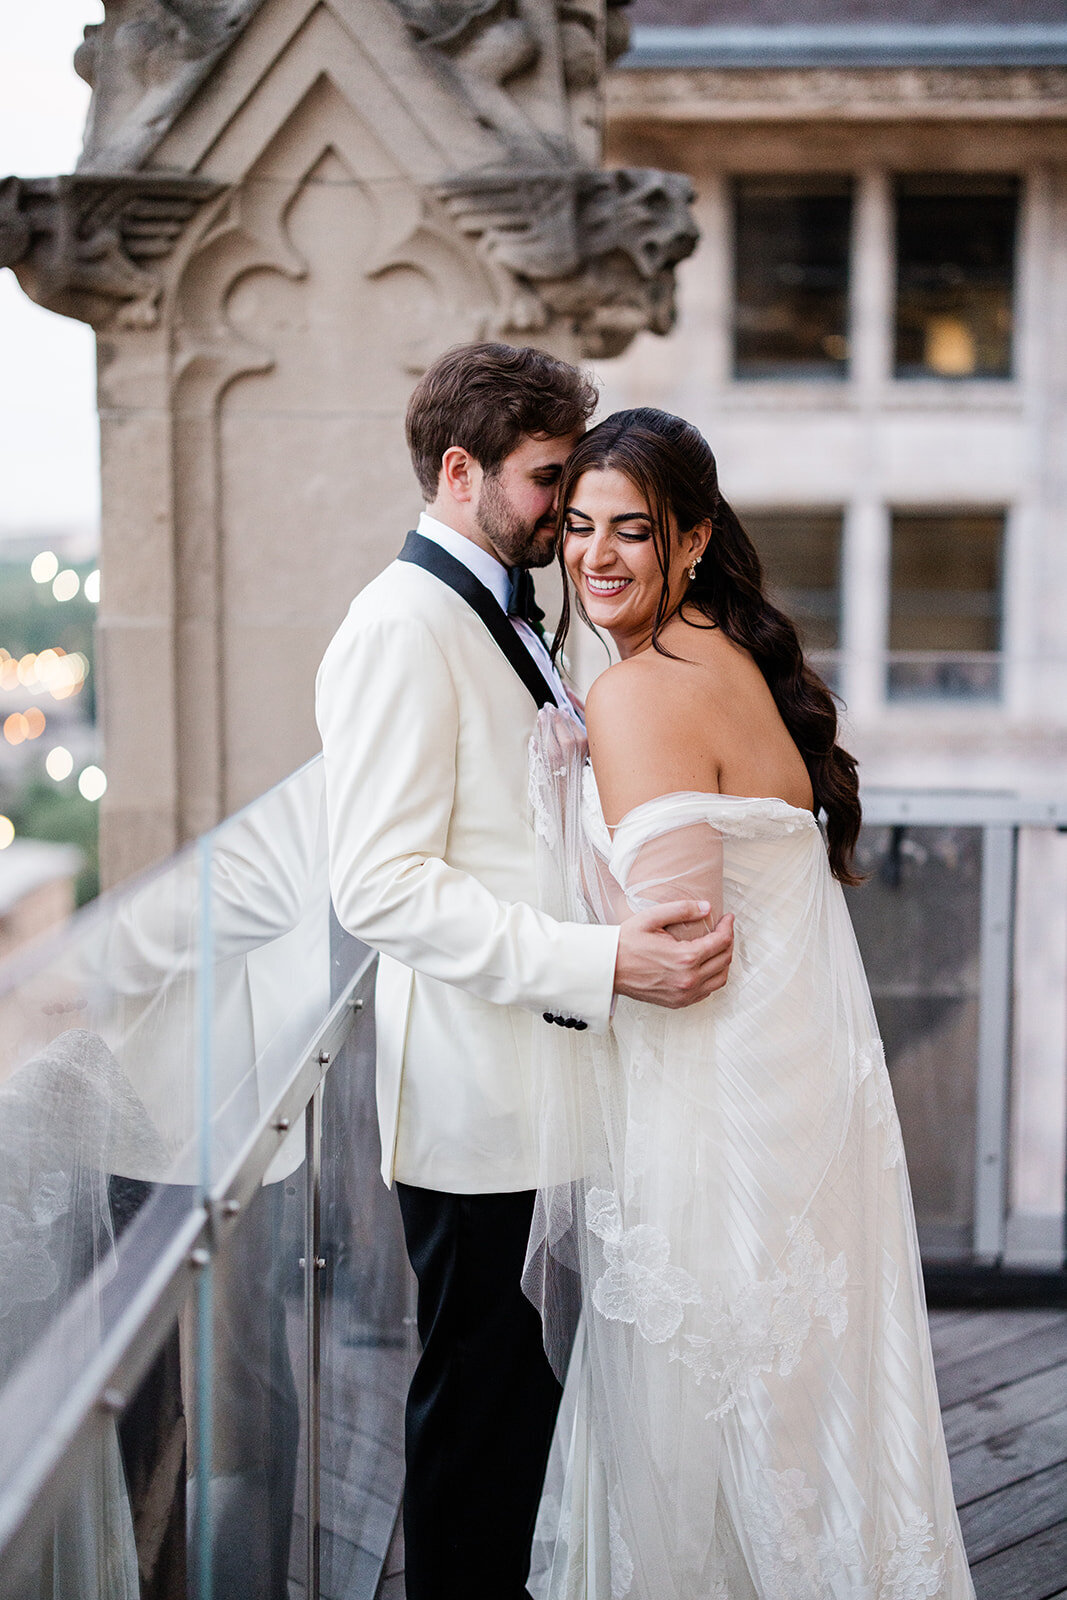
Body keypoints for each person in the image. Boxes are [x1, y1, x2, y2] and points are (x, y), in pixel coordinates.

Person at [523, 408, 976, 1599]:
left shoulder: (637, 690)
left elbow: (673, 949)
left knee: (715, 1438)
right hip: (797, 1102)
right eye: (575, 527)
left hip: (718, 1117)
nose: (596, 556)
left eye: (633, 529)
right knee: (803, 1430)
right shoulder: (726, 655)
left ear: (692, 540)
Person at [314, 348, 735, 1600]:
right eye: (549, 479)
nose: (567, 508)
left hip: (549, 1091)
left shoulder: (503, 607)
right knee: (478, 1435)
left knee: (528, 1431)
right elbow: (380, 885)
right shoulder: (399, 623)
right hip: (480, 1110)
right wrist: (603, 961)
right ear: (461, 472)